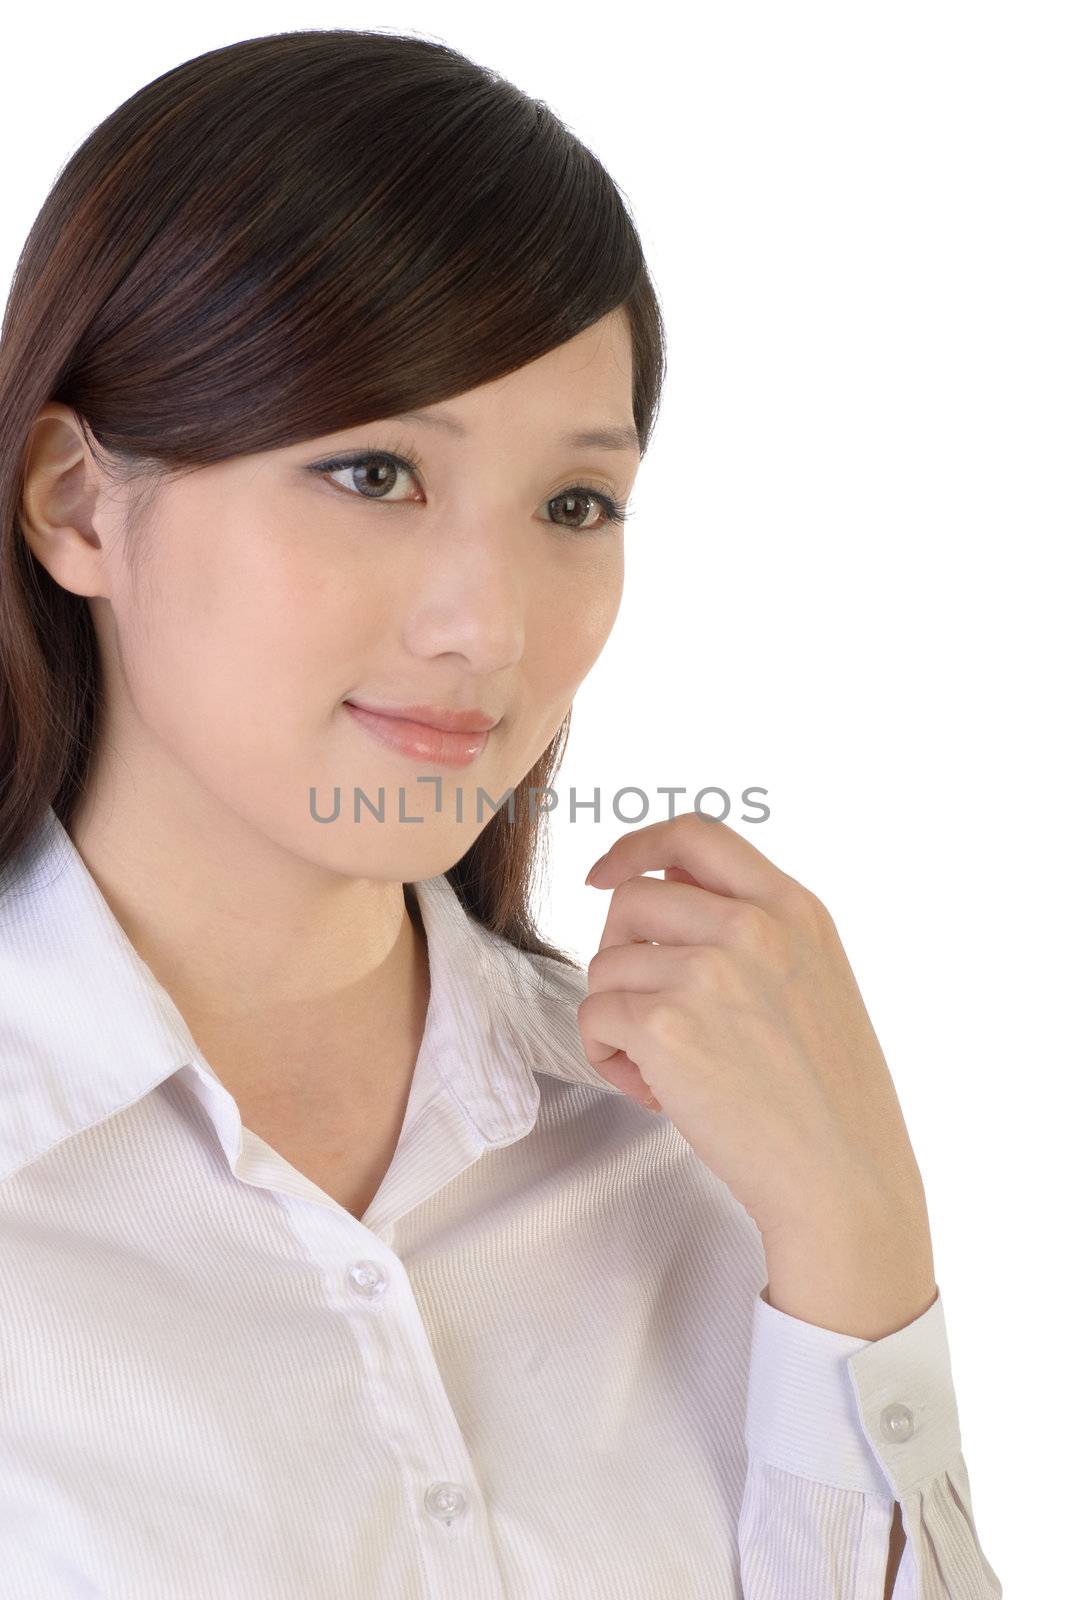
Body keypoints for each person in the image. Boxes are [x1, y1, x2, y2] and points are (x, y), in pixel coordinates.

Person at [0, 27, 1001, 1600]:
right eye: (374, 473)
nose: (491, 625)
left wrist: (858, 1252)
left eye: (574, 505)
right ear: (76, 503)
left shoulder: (703, 1155)